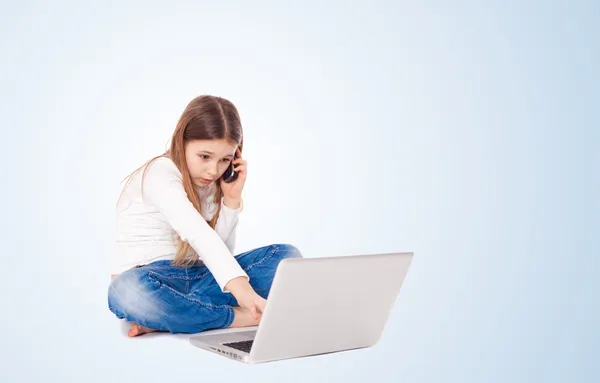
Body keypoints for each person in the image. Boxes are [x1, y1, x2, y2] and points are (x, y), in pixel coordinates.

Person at [108, 95, 302, 337]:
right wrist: (244, 294)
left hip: (199, 275)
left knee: (286, 257)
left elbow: (217, 254)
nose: (213, 170)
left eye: (225, 160)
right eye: (204, 156)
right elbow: (197, 234)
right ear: (182, 142)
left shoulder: (211, 183)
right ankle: (237, 317)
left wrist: (231, 200)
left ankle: (173, 316)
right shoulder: (161, 172)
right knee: (128, 292)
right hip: (150, 277)